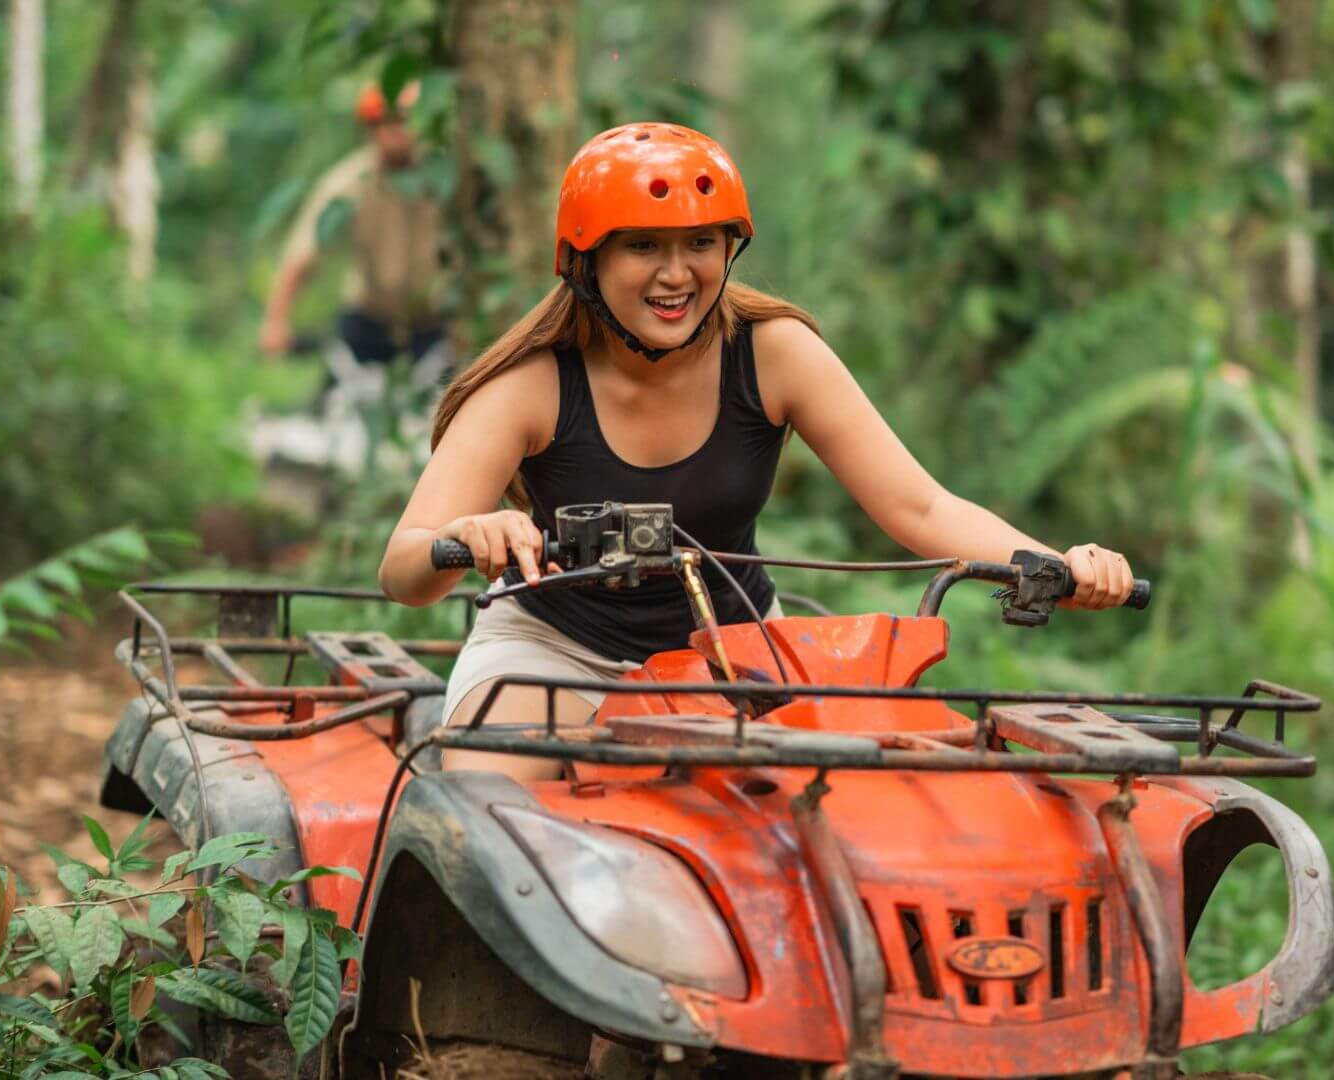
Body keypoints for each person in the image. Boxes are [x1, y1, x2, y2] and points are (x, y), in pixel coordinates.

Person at [378, 122, 1137, 781]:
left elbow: (922, 506)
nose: (677, 274)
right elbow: (402, 569)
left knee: (842, 810)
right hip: (554, 657)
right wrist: (465, 536)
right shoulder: (531, 386)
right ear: (587, 262)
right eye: (643, 246)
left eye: (700, 243)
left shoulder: (772, 354)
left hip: (733, 648)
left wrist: (1058, 567)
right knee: (484, 814)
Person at [258, 82, 445, 369]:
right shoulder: (349, 183)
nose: (394, 132)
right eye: (383, 123)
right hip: (367, 322)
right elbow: (303, 252)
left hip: (434, 326)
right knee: (335, 405)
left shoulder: (444, 176)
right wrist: (276, 322)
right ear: (370, 129)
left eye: (402, 121)